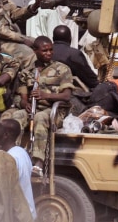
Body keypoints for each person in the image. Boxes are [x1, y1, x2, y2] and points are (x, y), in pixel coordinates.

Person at [19, 36, 74, 173]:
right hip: (33, 108)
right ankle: (15, 157)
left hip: (55, 111)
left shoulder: (62, 69)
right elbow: (22, 97)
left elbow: (67, 96)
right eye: (45, 51)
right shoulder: (27, 72)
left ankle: (38, 162)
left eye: (51, 50)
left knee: (41, 117)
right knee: (16, 115)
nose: (49, 53)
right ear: (35, 51)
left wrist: (46, 96)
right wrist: (25, 103)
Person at [1, 119, 36, 219]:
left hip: (19, 215)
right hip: (26, 213)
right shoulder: (21, 152)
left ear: (5, 134)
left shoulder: (10, 158)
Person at [52, 25, 98, 90]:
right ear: (70, 39)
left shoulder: (43, 52)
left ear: (53, 38)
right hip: (67, 90)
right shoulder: (74, 54)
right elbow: (89, 78)